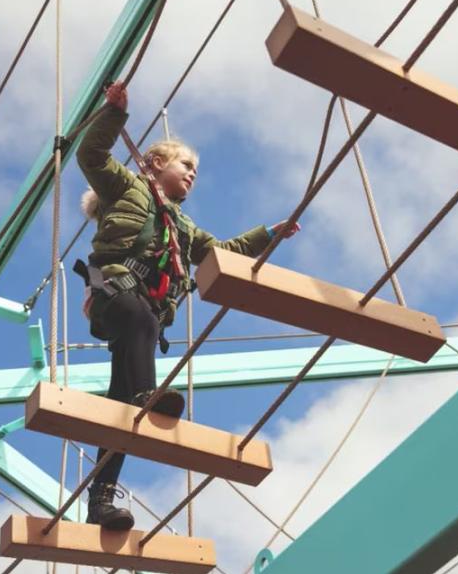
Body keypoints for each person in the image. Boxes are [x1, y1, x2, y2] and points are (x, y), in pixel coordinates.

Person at [75, 81, 300, 529]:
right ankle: (148, 395)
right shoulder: (126, 187)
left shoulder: (183, 225)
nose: (193, 174)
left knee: (121, 408)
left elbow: (221, 252)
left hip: (144, 315)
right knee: (137, 323)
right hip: (116, 292)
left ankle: (100, 498)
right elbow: (91, 156)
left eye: (196, 170)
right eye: (186, 165)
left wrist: (267, 235)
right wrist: (114, 114)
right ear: (156, 164)